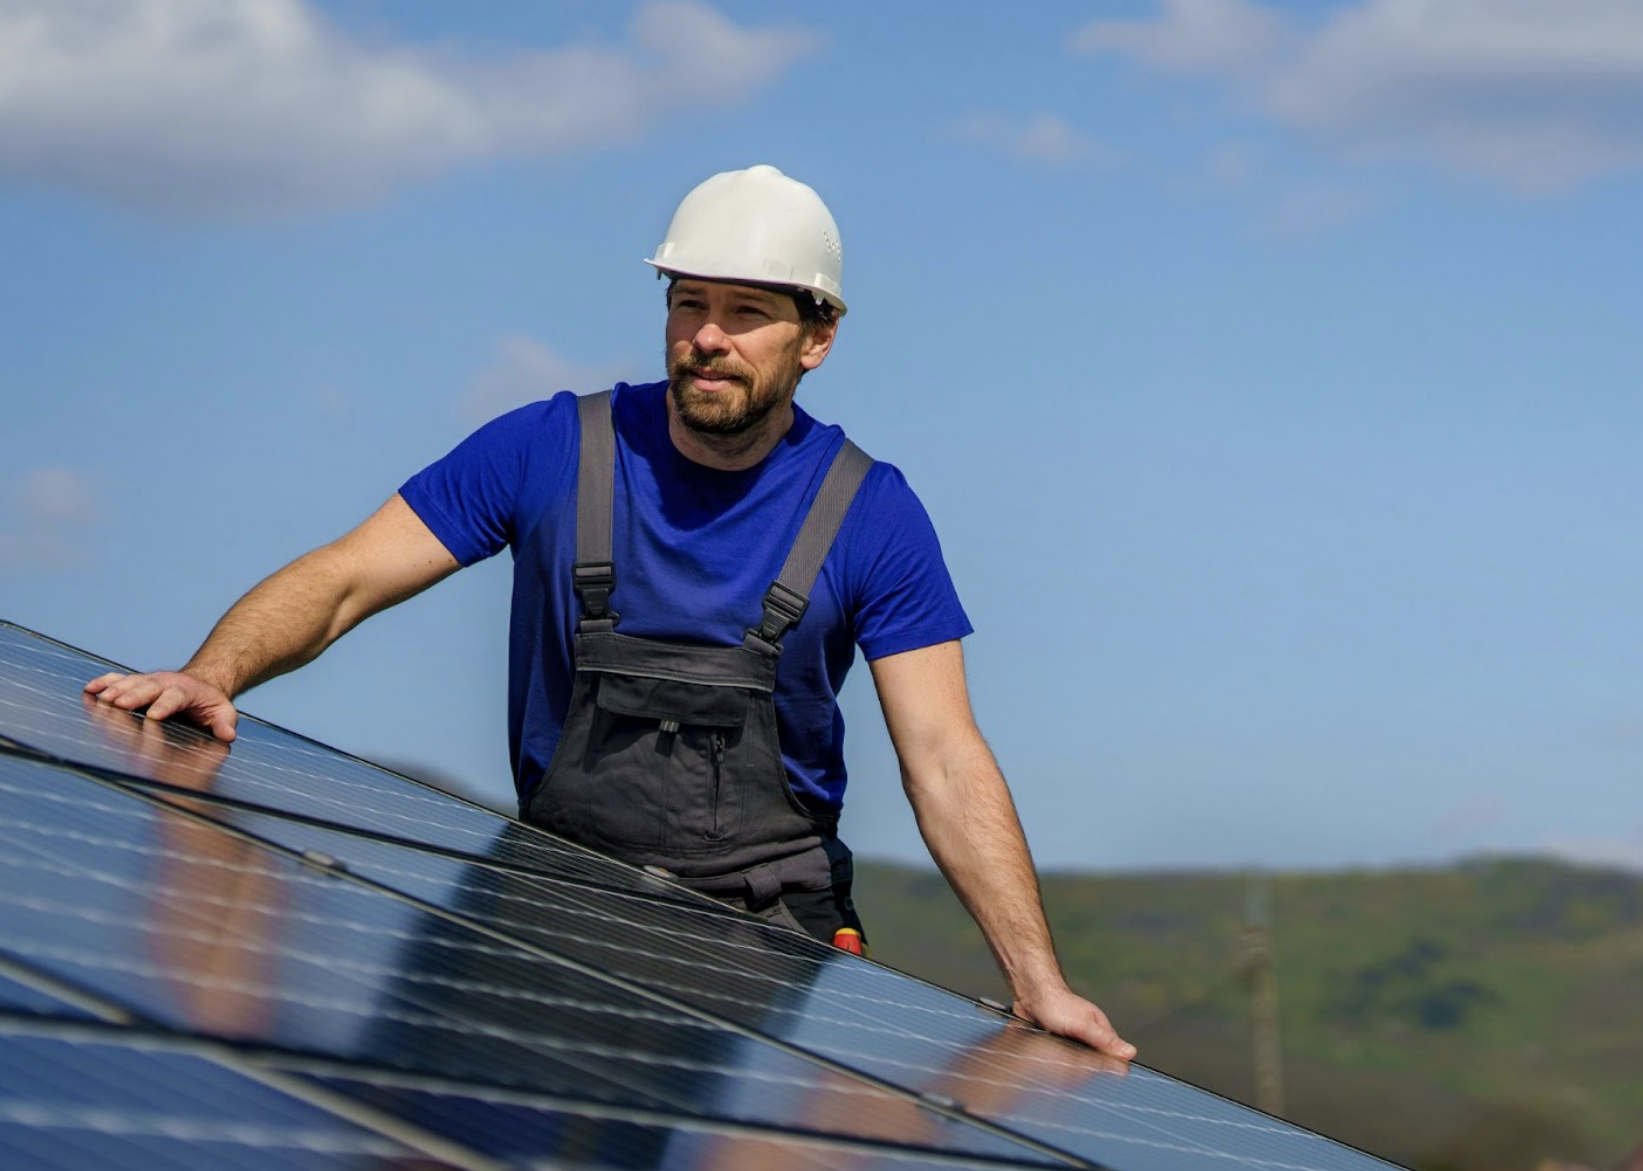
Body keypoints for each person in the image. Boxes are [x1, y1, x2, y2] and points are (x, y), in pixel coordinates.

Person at [84, 165, 1135, 1060]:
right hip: (558, 896)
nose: (709, 337)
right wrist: (213, 672)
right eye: (689, 302)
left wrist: (1036, 978)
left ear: (817, 337)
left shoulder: (872, 512)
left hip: (772, 936)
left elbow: (944, 757)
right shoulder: (553, 448)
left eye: (747, 311)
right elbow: (348, 574)